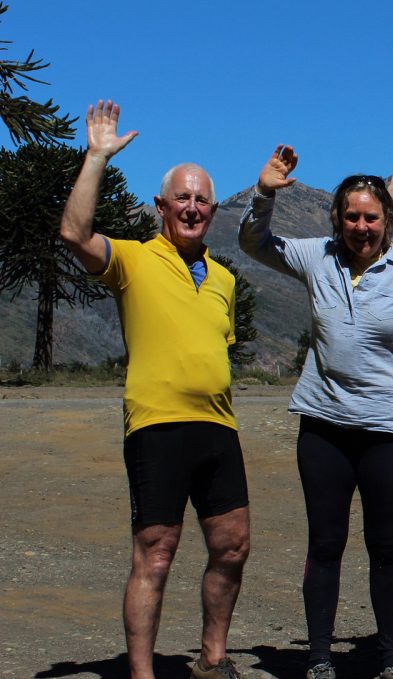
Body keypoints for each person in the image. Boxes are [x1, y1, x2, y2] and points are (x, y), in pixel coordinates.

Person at [240, 145, 393, 679]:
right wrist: (265, 192)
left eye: (371, 217)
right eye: (352, 216)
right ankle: (318, 658)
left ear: (389, 219)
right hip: (324, 428)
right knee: (326, 542)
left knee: (386, 545)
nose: (362, 226)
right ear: (337, 220)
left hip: (389, 431)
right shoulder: (318, 256)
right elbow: (255, 243)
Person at [58, 101, 250, 679]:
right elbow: (73, 232)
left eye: (201, 200)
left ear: (211, 211)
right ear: (161, 206)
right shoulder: (134, 260)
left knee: (233, 546)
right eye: (181, 198)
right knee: (156, 554)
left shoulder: (224, 279)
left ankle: (213, 661)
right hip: (157, 427)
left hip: (220, 428)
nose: (192, 207)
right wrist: (96, 157)